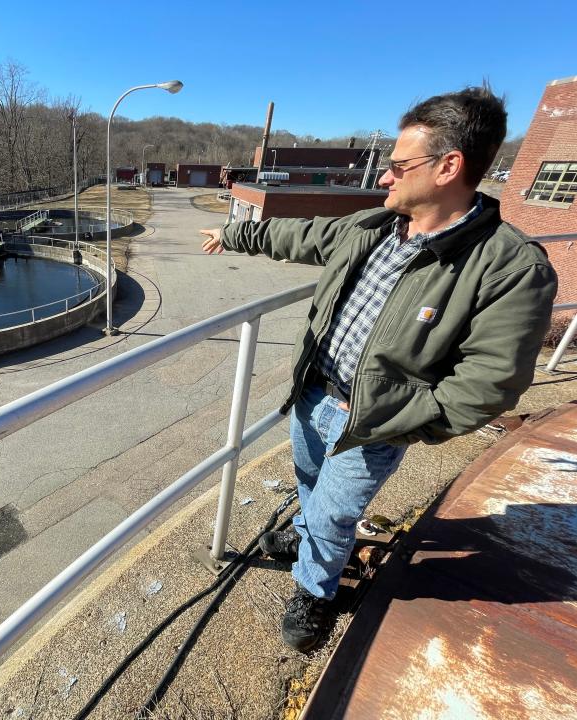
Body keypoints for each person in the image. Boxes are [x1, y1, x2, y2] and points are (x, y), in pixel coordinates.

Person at [199, 86, 556, 653]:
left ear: (448, 167)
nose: (384, 178)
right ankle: (306, 538)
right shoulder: (371, 228)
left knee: (336, 517)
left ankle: (316, 593)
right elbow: (301, 234)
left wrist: (407, 421)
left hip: (372, 424)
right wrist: (236, 232)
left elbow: (491, 382)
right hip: (313, 392)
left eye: (396, 165)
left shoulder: (510, 267)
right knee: (310, 486)